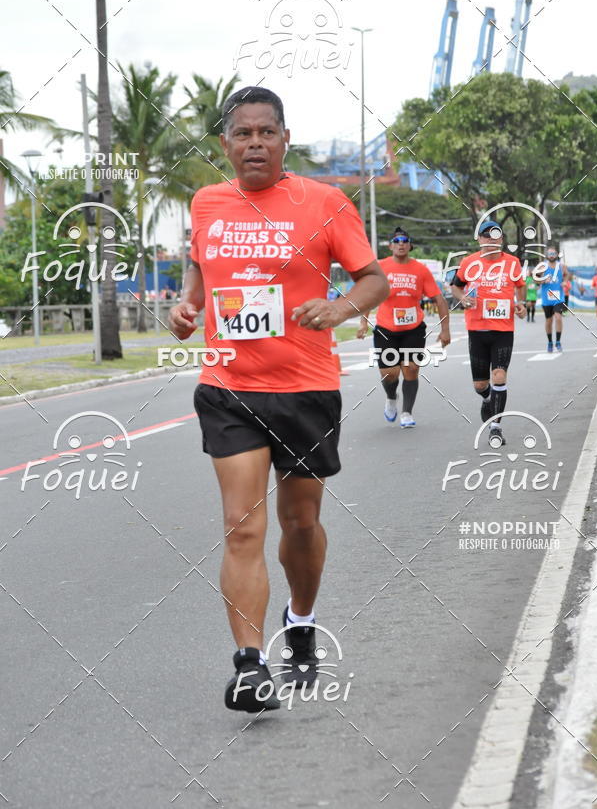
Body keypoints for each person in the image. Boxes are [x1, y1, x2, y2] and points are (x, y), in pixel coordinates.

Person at [168, 86, 388, 713]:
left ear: (285, 139)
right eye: (244, 134)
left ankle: (302, 617)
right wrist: (188, 308)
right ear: (226, 144)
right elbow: (202, 271)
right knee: (243, 527)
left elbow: (373, 278)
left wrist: (340, 307)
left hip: (306, 388)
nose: (255, 143)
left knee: (300, 522)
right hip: (230, 387)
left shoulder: (324, 202)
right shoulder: (208, 202)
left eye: (267, 132)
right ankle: (249, 665)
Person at [358, 228, 450, 427]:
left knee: (411, 368)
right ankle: (391, 398)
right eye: (396, 240)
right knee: (389, 374)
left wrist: (445, 330)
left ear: (410, 245)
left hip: (413, 328)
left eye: (405, 240)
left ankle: (407, 413)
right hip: (386, 328)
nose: (401, 244)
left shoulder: (421, 269)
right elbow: (368, 295)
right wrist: (364, 322)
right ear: (391, 245)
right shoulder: (380, 267)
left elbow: (439, 299)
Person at [450, 220, 526, 446]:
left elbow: (520, 285)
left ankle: (495, 428)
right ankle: (487, 398)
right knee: (480, 385)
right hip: (477, 329)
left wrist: (520, 303)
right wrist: (462, 297)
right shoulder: (468, 263)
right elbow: (455, 285)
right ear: (479, 239)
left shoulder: (512, 263)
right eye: (487, 235)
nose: (491, 239)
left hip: (503, 330)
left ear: (501, 239)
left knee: (499, 376)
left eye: (496, 235)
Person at [539, 246, 569, 353]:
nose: (552, 256)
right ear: (547, 255)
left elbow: (566, 275)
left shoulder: (562, 266)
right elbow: (535, 279)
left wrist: (565, 281)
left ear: (557, 255)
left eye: (554, 254)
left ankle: (558, 341)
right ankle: (550, 342)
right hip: (546, 298)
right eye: (550, 254)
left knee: (558, 318)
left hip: (558, 297)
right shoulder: (543, 266)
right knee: (549, 320)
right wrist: (542, 281)